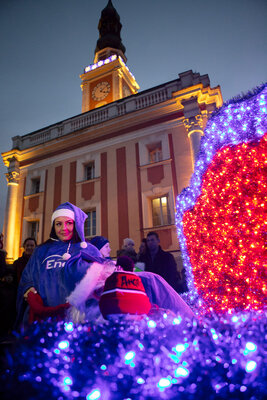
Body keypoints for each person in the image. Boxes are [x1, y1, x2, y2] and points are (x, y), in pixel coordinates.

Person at [16, 202, 104, 327]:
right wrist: (28, 289)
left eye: (69, 223)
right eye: (58, 224)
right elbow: (27, 277)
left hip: (79, 319)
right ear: (53, 226)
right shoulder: (41, 251)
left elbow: (101, 281)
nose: (63, 228)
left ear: (76, 224)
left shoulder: (89, 250)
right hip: (44, 320)